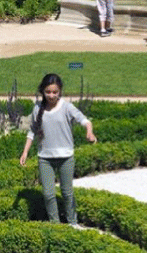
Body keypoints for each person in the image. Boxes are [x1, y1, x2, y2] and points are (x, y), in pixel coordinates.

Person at [19, 73, 97, 226]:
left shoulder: (67, 107)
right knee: (48, 194)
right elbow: (32, 131)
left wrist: (89, 132)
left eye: (55, 92)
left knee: (67, 193)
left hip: (66, 157)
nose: (51, 95)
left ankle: (72, 223)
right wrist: (25, 152)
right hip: (45, 158)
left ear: (60, 91)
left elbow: (85, 121)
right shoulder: (37, 109)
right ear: (43, 91)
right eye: (48, 92)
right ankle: (55, 225)